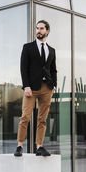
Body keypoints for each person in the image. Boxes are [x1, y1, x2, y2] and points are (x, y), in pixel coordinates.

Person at [14, 20, 57, 157]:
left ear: (47, 31)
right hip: (31, 88)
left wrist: (54, 85)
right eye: (37, 28)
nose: (38, 30)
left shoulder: (51, 50)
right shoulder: (28, 47)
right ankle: (19, 146)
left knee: (42, 119)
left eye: (41, 28)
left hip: (47, 88)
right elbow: (23, 68)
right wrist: (26, 85)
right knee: (25, 117)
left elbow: (53, 69)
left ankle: (40, 146)